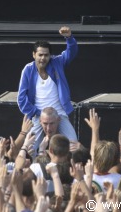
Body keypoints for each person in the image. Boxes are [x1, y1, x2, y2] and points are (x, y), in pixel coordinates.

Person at [17, 26, 78, 155]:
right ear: (34, 55)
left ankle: (70, 173)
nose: (43, 58)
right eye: (40, 55)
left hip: (59, 114)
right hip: (39, 116)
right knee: (30, 150)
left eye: (46, 55)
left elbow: (71, 52)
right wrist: (36, 113)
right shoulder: (27, 70)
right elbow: (21, 100)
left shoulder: (57, 62)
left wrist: (69, 37)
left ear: (50, 56)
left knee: (73, 146)